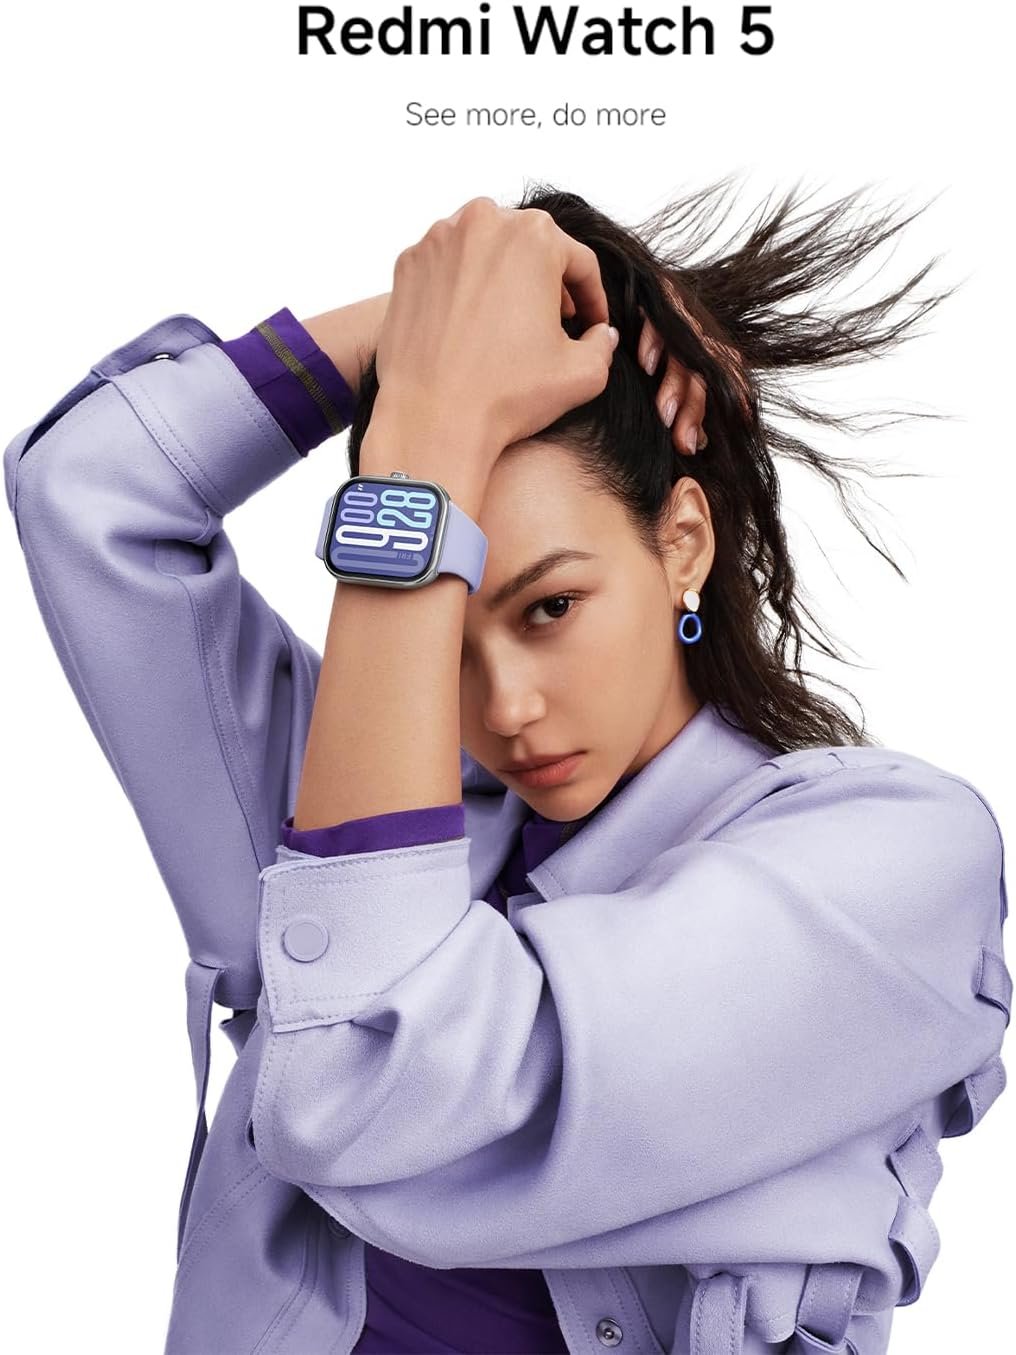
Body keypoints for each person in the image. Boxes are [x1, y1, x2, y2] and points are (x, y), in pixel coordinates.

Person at [4, 181, 1009, 1355]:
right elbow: (89, 491)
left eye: (549, 606)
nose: (503, 709)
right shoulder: (354, 796)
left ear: (681, 541)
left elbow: (361, 1091)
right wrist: (433, 343)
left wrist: (422, 459)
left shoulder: (891, 862)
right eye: (442, 641)